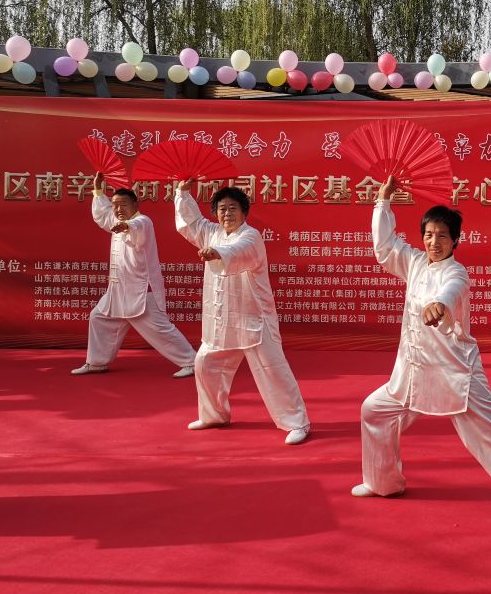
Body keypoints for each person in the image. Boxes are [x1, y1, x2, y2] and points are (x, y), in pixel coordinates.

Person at [353, 176, 491, 546]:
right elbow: (385, 247)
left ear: (456, 240)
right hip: (412, 373)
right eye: (429, 235)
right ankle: (383, 482)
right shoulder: (414, 263)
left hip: (456, 375)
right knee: (375, 411)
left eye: (442, 236)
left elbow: (449, 292)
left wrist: (439, 306)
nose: (434, 242)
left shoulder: (456, 273)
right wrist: (383, 201)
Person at [174, 181, 311, 444]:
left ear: (244, 212)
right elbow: (190, 224)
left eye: (233, 208)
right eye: (222, 208)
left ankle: (298, 422)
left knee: (272, 370)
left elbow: (237, 252)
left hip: (254, 318)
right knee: (205, 364)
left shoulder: (251, 236)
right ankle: (214, 415)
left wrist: (217, 252)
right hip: (222, 321)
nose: (227, 213)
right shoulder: (211, 232)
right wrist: (182, 193)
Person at [72, 172, 196, 377]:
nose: (118, 209)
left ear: (135, 205)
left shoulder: (143, 221)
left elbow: (135, 226)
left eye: (124, 205)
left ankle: (192, 362)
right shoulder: (115, 219)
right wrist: (98, 190)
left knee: (160, 329)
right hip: (118, 290)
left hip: (141, 290)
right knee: (99, 317)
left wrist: (125, 226)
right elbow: (102, 215)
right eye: (115, 205)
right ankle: (97, 362)